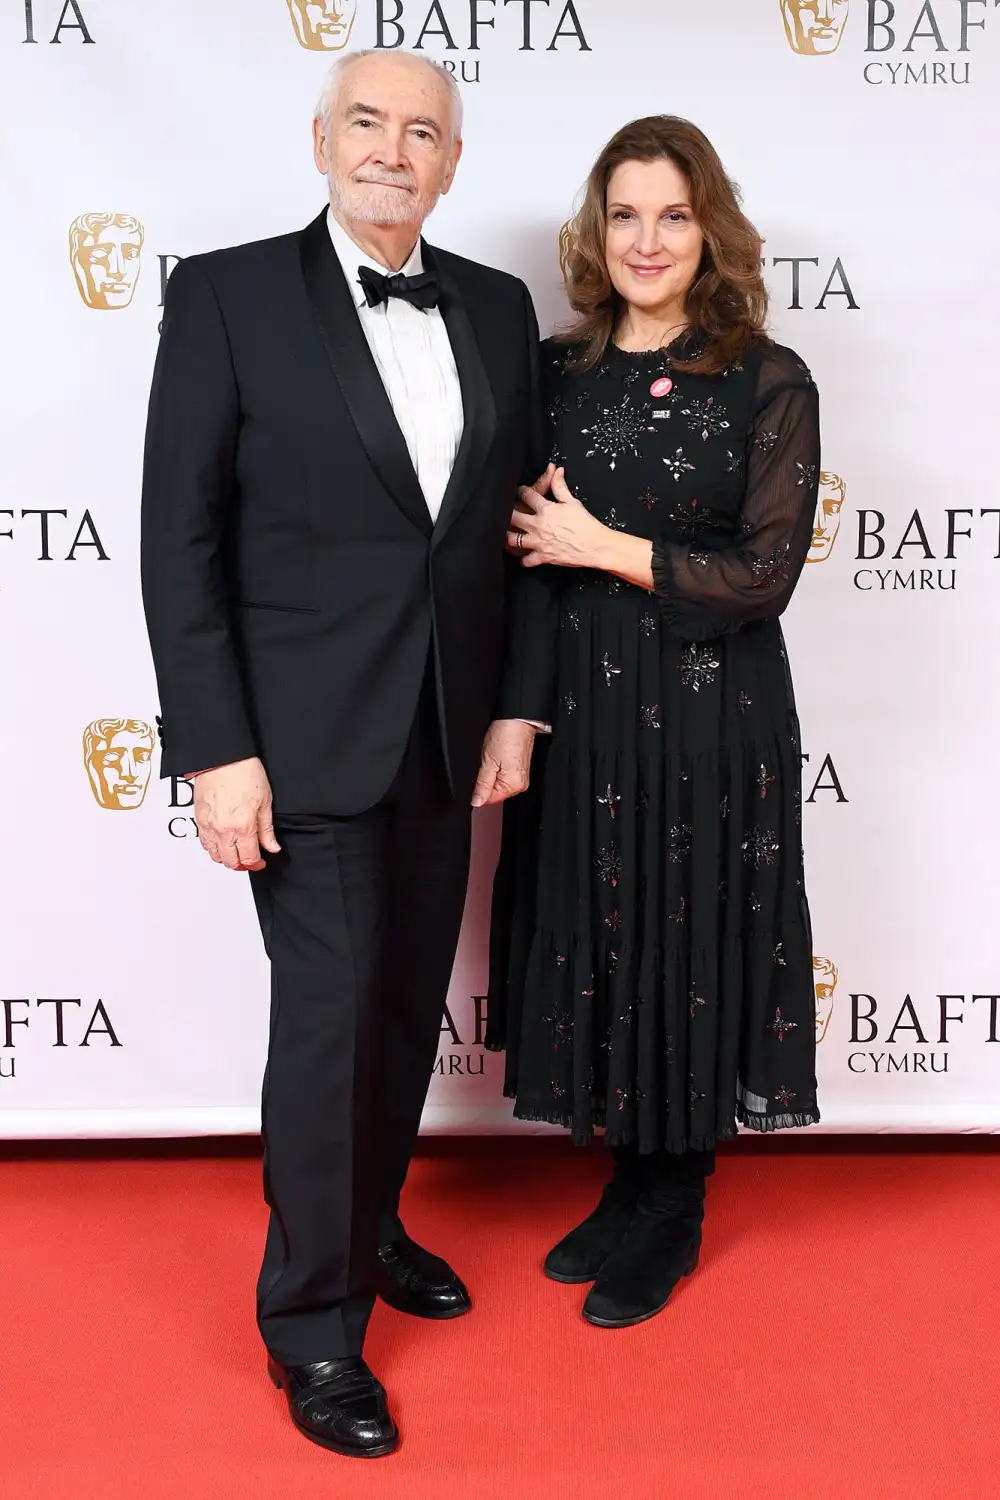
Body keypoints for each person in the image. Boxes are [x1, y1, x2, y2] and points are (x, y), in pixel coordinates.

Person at [141, 50, 542, 1458]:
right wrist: (215, 752)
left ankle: (368, 1227)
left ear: (451, 163)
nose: (391, 149)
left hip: (445, 738)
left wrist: (514, 708)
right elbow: (180, 541)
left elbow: (515, 536)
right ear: (321, 139)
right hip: (296, 747)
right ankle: (311, 1325)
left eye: (422, 131)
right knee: (327, 1030)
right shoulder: (228, 296)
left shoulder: (496, 308)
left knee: (398, 1014)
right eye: (367, 122)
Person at [485, 115, 822, 1329]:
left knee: (690, 939)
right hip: (584, 708)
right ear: (595, 228)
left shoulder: (768, 378)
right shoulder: (555, 372)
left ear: (708, 228)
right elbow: (526, 554)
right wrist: (518, 712)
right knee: (607, 930)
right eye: (624, 214)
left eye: (672, 215)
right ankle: (629, 1179)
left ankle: (675, 1203)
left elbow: (763, 574)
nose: (646, 239)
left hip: (708, 706)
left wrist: (603, 546)